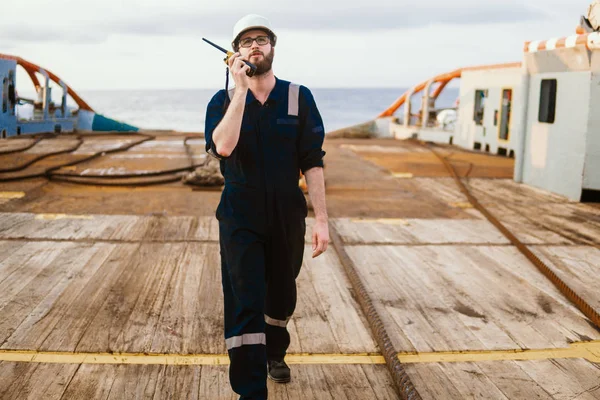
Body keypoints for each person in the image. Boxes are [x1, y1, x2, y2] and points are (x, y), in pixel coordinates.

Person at [204, 14, 329, 400]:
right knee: (244, 297)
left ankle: (275, 351)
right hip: (240, 213)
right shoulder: (222, 100)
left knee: (280, 295)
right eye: (246, 41)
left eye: (261, 39)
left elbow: (313, 159)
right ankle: (250, 389)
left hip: (287, 213)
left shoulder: (298, 97)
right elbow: (222, 147)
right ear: (235, 53)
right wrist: (239, 91)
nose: (254, 45)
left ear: (273, 46)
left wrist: (322, 218)